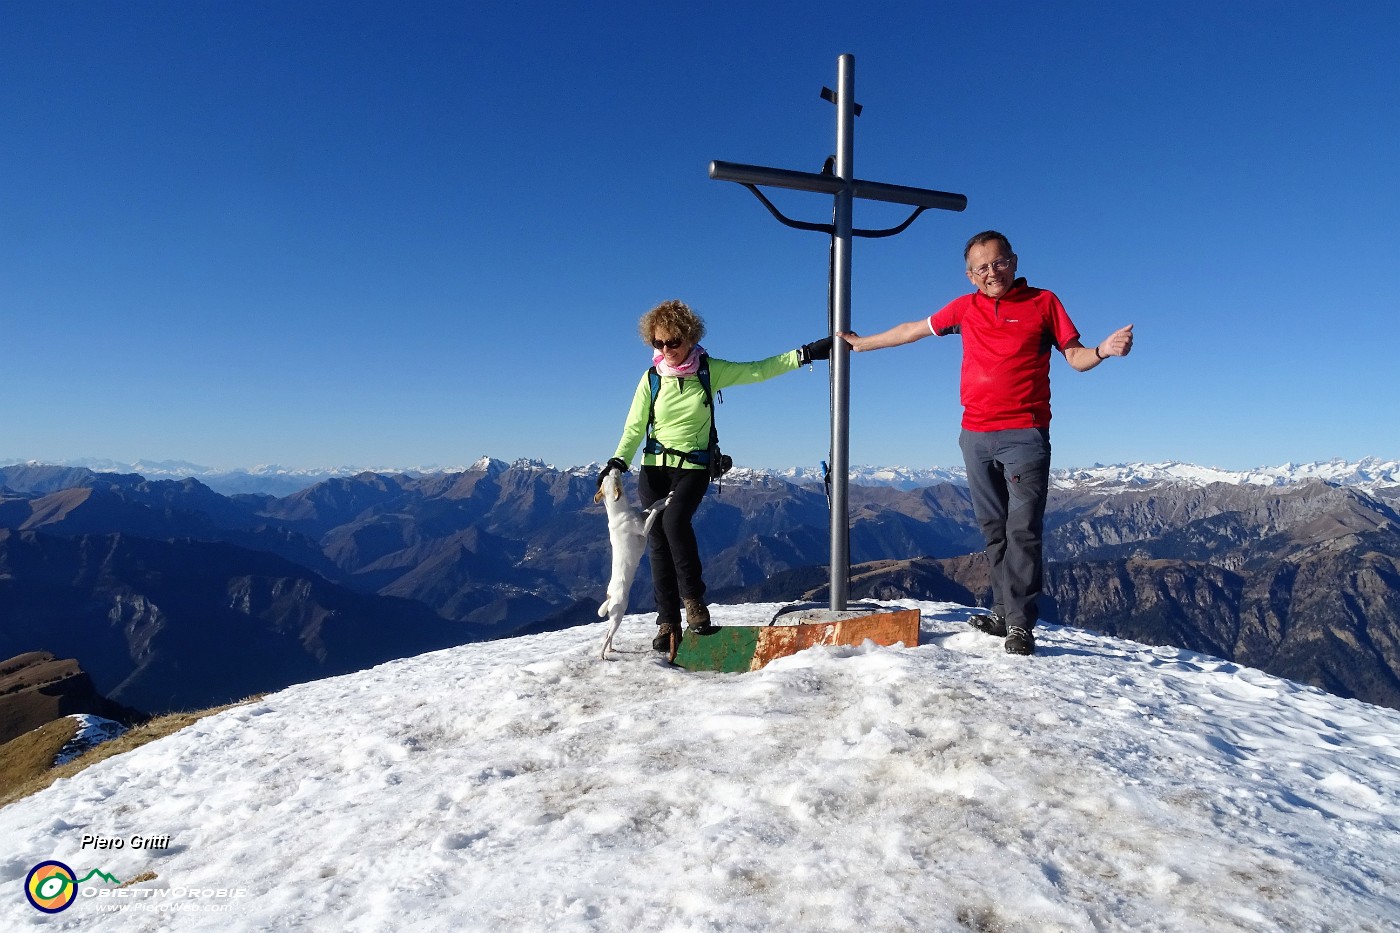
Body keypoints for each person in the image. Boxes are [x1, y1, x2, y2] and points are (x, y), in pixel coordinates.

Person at [839, 231, 1133, 656]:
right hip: (974, 435)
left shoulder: (1043, 302)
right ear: (970, 275)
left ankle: (1020, 624)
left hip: (1024, 434)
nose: (991, 273)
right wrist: (864, 344)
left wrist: (1103, 350)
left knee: (1023, 531)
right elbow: (912, 330)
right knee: (994, 528)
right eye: (982, 268)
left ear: (1013, 261)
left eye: (998, 263)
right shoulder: (965, 307)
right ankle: (1000, 611)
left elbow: (1076, 358)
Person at [601, 299, 832, 652]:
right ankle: (667, 623)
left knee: (675, 523)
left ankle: (693, 602)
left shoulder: (710, 371)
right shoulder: (651, 379)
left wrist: (805, 354)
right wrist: (618, 461)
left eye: (673, 342)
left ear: (690, 338)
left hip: (693, 468)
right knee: (658, 543)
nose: (666, 350)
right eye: (658, 343)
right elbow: (634, 427)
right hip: (654, 469)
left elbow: (758, 370)